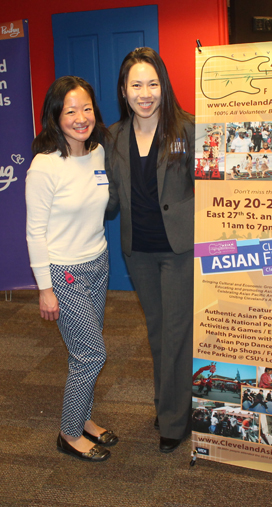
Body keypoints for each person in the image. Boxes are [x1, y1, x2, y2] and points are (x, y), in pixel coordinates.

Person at [105, 47, 195, 454]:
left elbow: (208, 187)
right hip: (138, 251)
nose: (145, 94)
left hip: (179, 250)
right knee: (158, 331)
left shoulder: (187, 129)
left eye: (153, 84)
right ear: (124, 91)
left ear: (164, 86)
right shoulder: (112, 137)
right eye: (136, 85)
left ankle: (174, 420)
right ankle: (169, 403)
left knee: (177, 332)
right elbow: (109, 198)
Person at [26, 76, 117, 462]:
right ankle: (68, 433)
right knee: (92, 354)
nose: (81, 118)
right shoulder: (45, 166)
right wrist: (45, 288)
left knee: (83, 351)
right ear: (55, 116)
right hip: (64, 273)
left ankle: (83, 418)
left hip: (98, 262)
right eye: (70, 111)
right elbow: (35, 231)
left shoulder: (98, 152)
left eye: (87, 109)